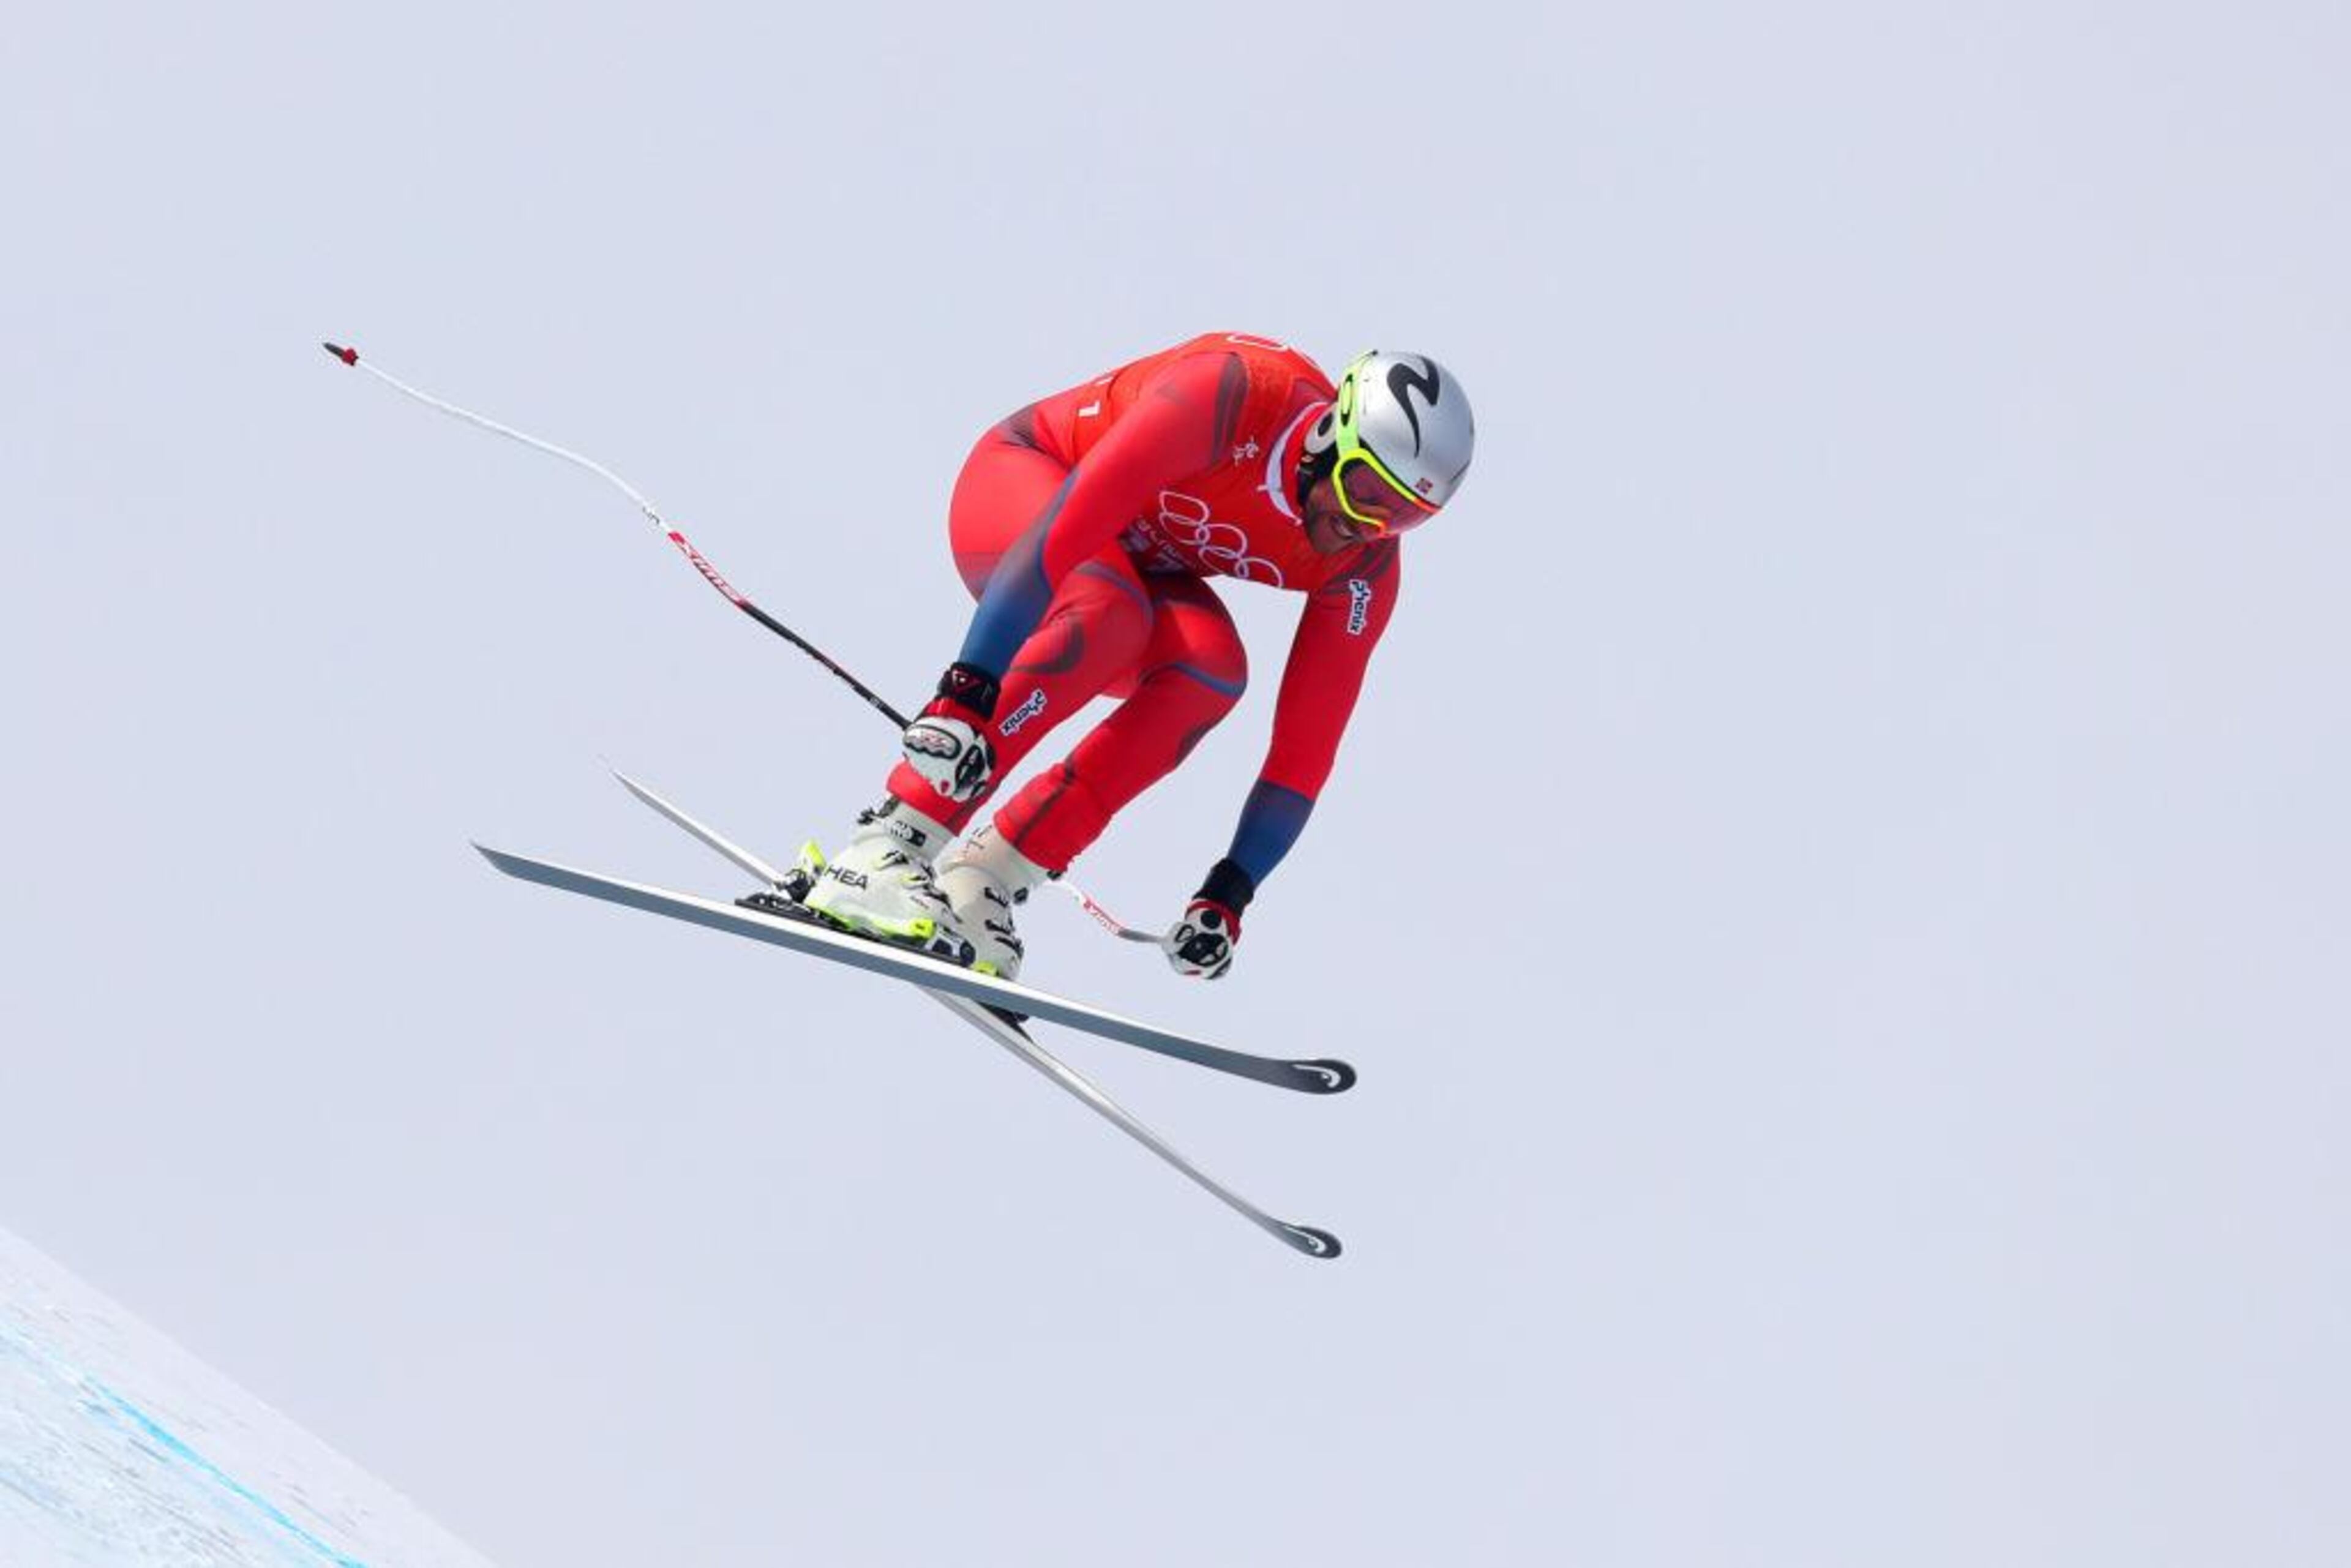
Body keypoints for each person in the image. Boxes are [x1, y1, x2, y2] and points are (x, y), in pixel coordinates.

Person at [799, 331, 1474, 982]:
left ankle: (988, 876)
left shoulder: (1365, 564)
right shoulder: (1234, 395)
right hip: (1026, 492)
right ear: (1331, 435)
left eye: (1405, 515)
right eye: (1365, 490)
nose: (1368, 525)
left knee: (1211, 671)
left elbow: (1305, 750)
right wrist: (966, 688)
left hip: (1126, 568)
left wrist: (1230, 891)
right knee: (1110, 615)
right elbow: (1065, 532)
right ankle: (887, 846)